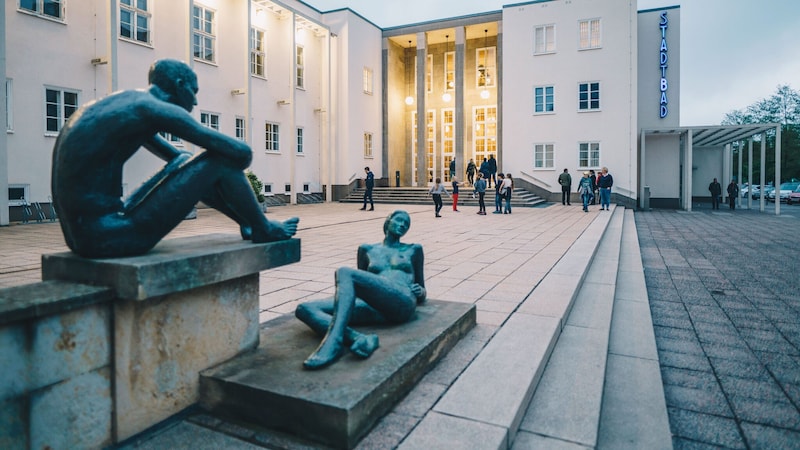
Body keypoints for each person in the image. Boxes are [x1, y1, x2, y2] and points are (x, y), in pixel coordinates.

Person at [51, 59, 298, 258]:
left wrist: (195, 171)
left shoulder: (127, 104)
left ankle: (249, 223)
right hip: (112, 237)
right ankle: (262, 228)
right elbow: (241, 154)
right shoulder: (154, 108)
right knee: (220, 160)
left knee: (185, 160)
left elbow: (179, 159)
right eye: (194, 91)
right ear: (180, 85)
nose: (196, 100)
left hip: (85, 237)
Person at [295, 210, 426, 370]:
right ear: (388, 220)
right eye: (399, 220)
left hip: (401, 301)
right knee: (304, 309)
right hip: (373, 307)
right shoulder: (367, 249)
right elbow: (360, 284)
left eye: (406, 225)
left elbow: (422, 289)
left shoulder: (413, 249)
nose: (402, 225)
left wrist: (421, 292)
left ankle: (334, 341)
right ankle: (357, 338)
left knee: (345, 272)